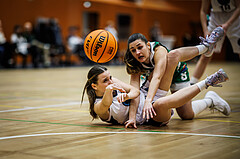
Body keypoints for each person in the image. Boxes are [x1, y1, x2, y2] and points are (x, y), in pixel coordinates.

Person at [123, 27, 224, 122]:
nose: (137, 52)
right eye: (133, 50)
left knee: (172, 55)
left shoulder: (158, 50)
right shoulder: (133, 61)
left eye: (140, 47)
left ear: (148, 45)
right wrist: (132, 117)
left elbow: (157, 77)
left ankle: (205, 48)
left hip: (176, 72)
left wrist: (148, 100)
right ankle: (210, 100)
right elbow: (134, 91)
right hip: (157, 78)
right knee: (187, 115)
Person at [81, 65, 230, 128]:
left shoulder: (113, 82)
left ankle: (210, 99)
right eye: (105, 80)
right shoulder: (98, 106)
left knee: (169, 60)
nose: (110, 81)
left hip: (146, 96)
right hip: (151, 116)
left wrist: (127, 95)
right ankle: (208, 82)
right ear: (94, 86)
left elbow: (135, 92)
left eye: (110, 77)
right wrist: (109, 90)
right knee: (160, 105)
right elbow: (105, 105)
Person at [190, 0, 240, 84]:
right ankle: (192, 83)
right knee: (206, 52)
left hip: (234, 17)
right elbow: (203, 11)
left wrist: (228, 24)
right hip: (215, 18)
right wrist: (205, 30)